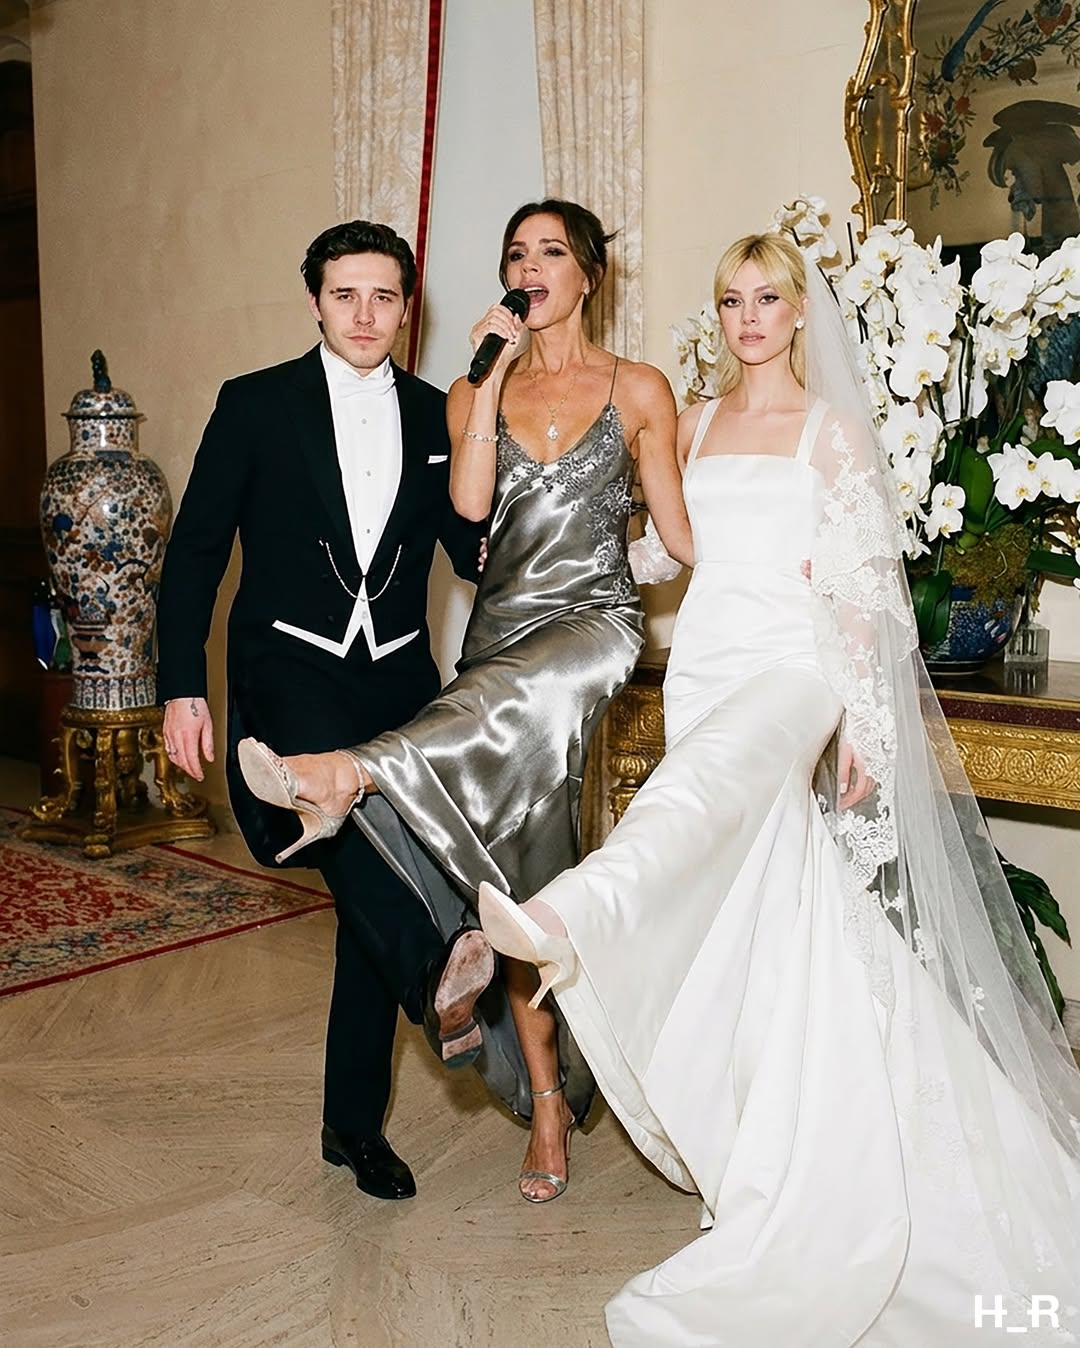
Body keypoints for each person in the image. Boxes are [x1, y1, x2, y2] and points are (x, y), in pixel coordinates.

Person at [478, 233, 1080, 1343]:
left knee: (699, 794)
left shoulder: (830, 431)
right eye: (731, 300)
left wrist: (861, 714)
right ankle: (777, 1145)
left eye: (767, 298)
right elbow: (666, 550)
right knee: (760, 910)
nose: (748, 316)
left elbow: (864, 588)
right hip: (705, 666)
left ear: (801, 313)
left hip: (794, 671)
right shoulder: (695, 420)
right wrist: (567, 551)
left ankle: (569, 912)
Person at [237, 198, 694, 1204]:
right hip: (500, 646)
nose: (530, 268)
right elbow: (472, 507)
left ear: (588, 274)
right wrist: (486, 381)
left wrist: (768, 569)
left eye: (551, 252)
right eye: (516, 254)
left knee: (470, 779)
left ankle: (353, 772)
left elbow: (680, 534)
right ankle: (548, 1099)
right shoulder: (468, 388)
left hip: (589, 629)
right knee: (516, 882)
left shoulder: (640, 386)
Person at [155, 219, 493, 1203]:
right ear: (315, 300)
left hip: (396, 677)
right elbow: (197, 550)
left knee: (371, 891)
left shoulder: (435, 414)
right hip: (289, 671)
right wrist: (181, 684)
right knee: (344, 830)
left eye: (384, 296)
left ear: (407, 307)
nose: (364, 314)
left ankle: (352, 1125)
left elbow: (468, 552)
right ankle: (438, 971)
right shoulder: (256, 404)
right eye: (346, 294)